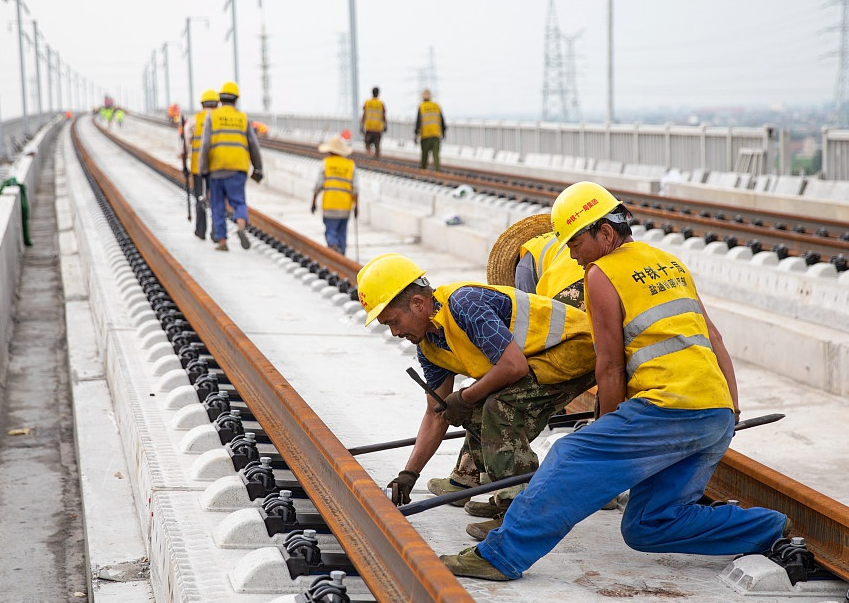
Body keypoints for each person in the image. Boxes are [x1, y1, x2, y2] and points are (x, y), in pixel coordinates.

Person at [440, 181, 789, 581]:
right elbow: (715, 339)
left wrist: (605, 430)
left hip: (668, 407)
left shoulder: (601, 273)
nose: (572, 254)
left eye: (574, 243)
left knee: (569, 457)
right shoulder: (668, 262)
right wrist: (732, 408)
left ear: (605, 233)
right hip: (716, 412)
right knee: (648, 524)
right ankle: (769, 527)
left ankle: (500, 556)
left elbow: (608, 367)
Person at [356, 253, 597, 541]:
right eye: (388, 327)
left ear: (418, 303)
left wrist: (466, 397)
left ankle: (522, 513)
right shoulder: (429, 346)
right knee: (476, 406)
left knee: (497, 407)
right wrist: (409, 475)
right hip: (540, 358)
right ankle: (500, 490)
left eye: (394, 321)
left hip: (577, 347)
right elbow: (436, 413)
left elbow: (513, 367)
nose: (395, 332)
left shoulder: (464, 304)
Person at [198, 81, 263, 252]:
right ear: (235, 100)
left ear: (221, 99)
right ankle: (241, 225)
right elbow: (253, 145)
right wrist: (258, 168)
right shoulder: (243, 118)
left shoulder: (211, 117)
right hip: (237, 168)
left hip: (216, 168)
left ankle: (222, 242)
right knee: (239, 201)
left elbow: (205, 145)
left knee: (217, 205)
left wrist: (203, 169)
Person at [311, 136, 358, 256]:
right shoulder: (351, 166)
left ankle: (333, 247)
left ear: (330, 151)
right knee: (342, 233)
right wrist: (356, 206)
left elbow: (318, 185)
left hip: (330, 205)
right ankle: (341, 255)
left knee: (331, 231)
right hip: (345, 207)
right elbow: (355, 189)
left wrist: (313, 202)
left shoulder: (326, 164)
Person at [183, 89, 220, 240]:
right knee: (216, 199)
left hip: (198, 167)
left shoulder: (194, 120)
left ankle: (200, 230)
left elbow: (185, 142)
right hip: (216, 168)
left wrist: (184, 161)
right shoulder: (219, 119)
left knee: (199, 197)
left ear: (202, 104)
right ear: (217, 104)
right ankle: (217, 232)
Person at [414, 88, 445, 171]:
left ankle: (423, 171)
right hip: (436, 134)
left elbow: (418, 122)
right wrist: (443, 132)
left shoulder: (422, 106)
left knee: (424, 155)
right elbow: (442, 120)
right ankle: (438, 171)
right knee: (436, 155)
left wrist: (416, 134)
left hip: (425, 135)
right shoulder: (436, 106)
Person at [360, 86, 386, 158]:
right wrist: (385, 125)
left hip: (369, 127)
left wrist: (362, 125)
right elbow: (383, 115)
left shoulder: (367, 103)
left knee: (367, 144)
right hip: (378, 128)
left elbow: (364, 114)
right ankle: (377, 158)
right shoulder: (381, 104)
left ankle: (369, 158)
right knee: (377, 145)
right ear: (378, 93)